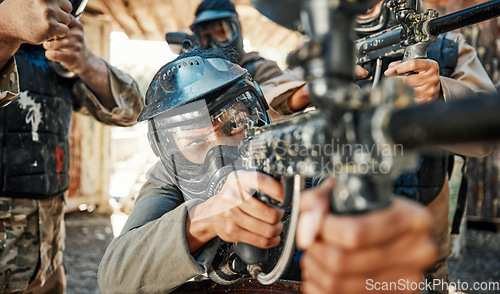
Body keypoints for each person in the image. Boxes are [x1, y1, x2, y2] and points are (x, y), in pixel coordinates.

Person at [97, 49, 437, 294]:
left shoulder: (291, 150)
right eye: (196, 143)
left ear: (259, 118)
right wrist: (202, 219)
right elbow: (116, 277)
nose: (220, 155)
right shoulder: (170, 176)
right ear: (169, 152)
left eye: (234, 127)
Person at [295, 1, 497, 293]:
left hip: (423, 251)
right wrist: (313, 93)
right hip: (335, 242)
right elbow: (274, 102)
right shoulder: (322, 43)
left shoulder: (448, 44)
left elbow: (486, 137)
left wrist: (440, 92)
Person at [0, 0, 144, 292]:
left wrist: (85, 62)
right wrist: (5, 29)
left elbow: (132, 110)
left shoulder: (54, 54)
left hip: (47, 257)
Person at [189, 0, 310, 120]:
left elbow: (283, 93)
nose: (214, 43)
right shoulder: (194, 77)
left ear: (237, 29)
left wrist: (301, 95)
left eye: (222, 32)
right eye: (206, 37)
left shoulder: (259, 67)